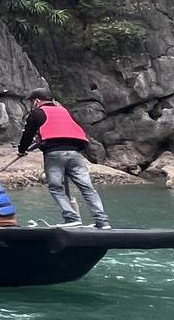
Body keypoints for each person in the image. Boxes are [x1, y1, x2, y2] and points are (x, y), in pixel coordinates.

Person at [19, 89, 111, 228]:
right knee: (87, 188)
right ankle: (102, 221)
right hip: (75, 153)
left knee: (56, 187)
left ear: (37, 101)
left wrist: (21, 150)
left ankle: (71, 217)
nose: (33, 105)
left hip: (54, 154)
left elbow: (28, 133)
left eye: (32, 102)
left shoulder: (37, 112)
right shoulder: (63, 111)